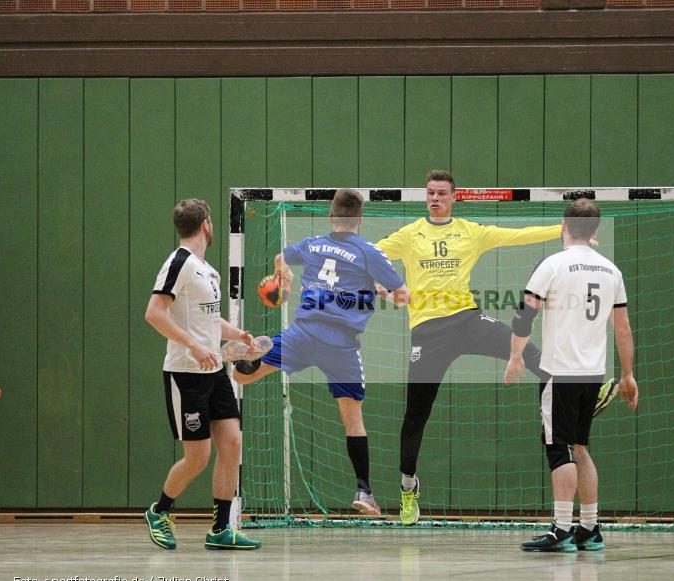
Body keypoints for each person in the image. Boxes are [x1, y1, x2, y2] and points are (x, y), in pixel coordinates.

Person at [377, 169, 608, 526]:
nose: (435, 198)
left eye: (441, 193)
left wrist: (568, 234)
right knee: (415, 415)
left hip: (468, 321)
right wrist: (385, 284)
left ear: (454, 197)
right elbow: (370, 254)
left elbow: (518, 235)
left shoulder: (471, 232)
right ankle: (408, 487)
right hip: (428, 332)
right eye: (430, 193)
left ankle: (577, 404)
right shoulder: (409, 235)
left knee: (535, 356)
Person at [233, 188, 409, 516]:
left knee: (242, 379)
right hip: (340, 344)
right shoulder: (369, 252)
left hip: (303, 333)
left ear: (332, 216)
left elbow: (281, 257)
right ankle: (363, 491)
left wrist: (281, 280)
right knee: (353, 419)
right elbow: (403, 297)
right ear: (360, 218)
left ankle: (248, 357)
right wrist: (383, 291)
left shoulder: (313, 244)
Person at [503, 199, 637, 551]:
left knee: (558, 449)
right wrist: (628, 375)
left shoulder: (552, 265)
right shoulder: (612, 271)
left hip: (559, 372)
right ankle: (590, 529)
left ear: (564, 224)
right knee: (579, 447)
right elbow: (622, 329)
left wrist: (516, 356)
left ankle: (562, 529)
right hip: (593, 373)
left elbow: (523, 316)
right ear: (595, 231)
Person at [144, 198, 261, 550]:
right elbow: (154, 313)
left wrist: (237, 334)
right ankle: (160, 511)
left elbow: (208, 320)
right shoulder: (178, 262)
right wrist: (194, 347)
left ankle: (221, 529)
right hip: (186, 373)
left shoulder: (206, 270)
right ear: (207, 225)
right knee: (198, 457)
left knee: (232, 443)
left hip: (215, 374)